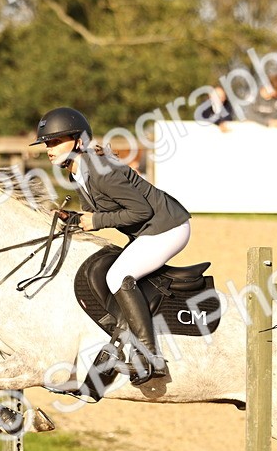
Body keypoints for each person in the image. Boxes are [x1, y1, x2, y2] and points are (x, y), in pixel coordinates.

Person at [32, 106, 191, 385]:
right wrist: (76, 218)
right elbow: (96, 212)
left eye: (56, 141)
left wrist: (95, 222)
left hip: (168, 227)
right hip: (150, 229)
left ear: (79, 141)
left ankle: (149, 357)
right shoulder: (77, 172)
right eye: (47, 143)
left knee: (118, 275)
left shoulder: (101, 170)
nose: (49, 148)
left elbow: (140, 211)